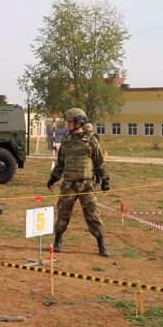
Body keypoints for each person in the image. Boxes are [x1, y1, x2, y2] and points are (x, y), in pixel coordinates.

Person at [47, 108, 111, 257]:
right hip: (68, 184)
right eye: (67, 122)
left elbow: (99, 161)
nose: (68, 125)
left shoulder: (91, 140)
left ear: (79, 122)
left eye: (70, 122)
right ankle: (58, 240)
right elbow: (60, 163)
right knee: (63, 212)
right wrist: (53, 178)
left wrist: (105, 180)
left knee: (92, 214)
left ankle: (101, 244)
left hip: (86, 184)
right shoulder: (66, 141)